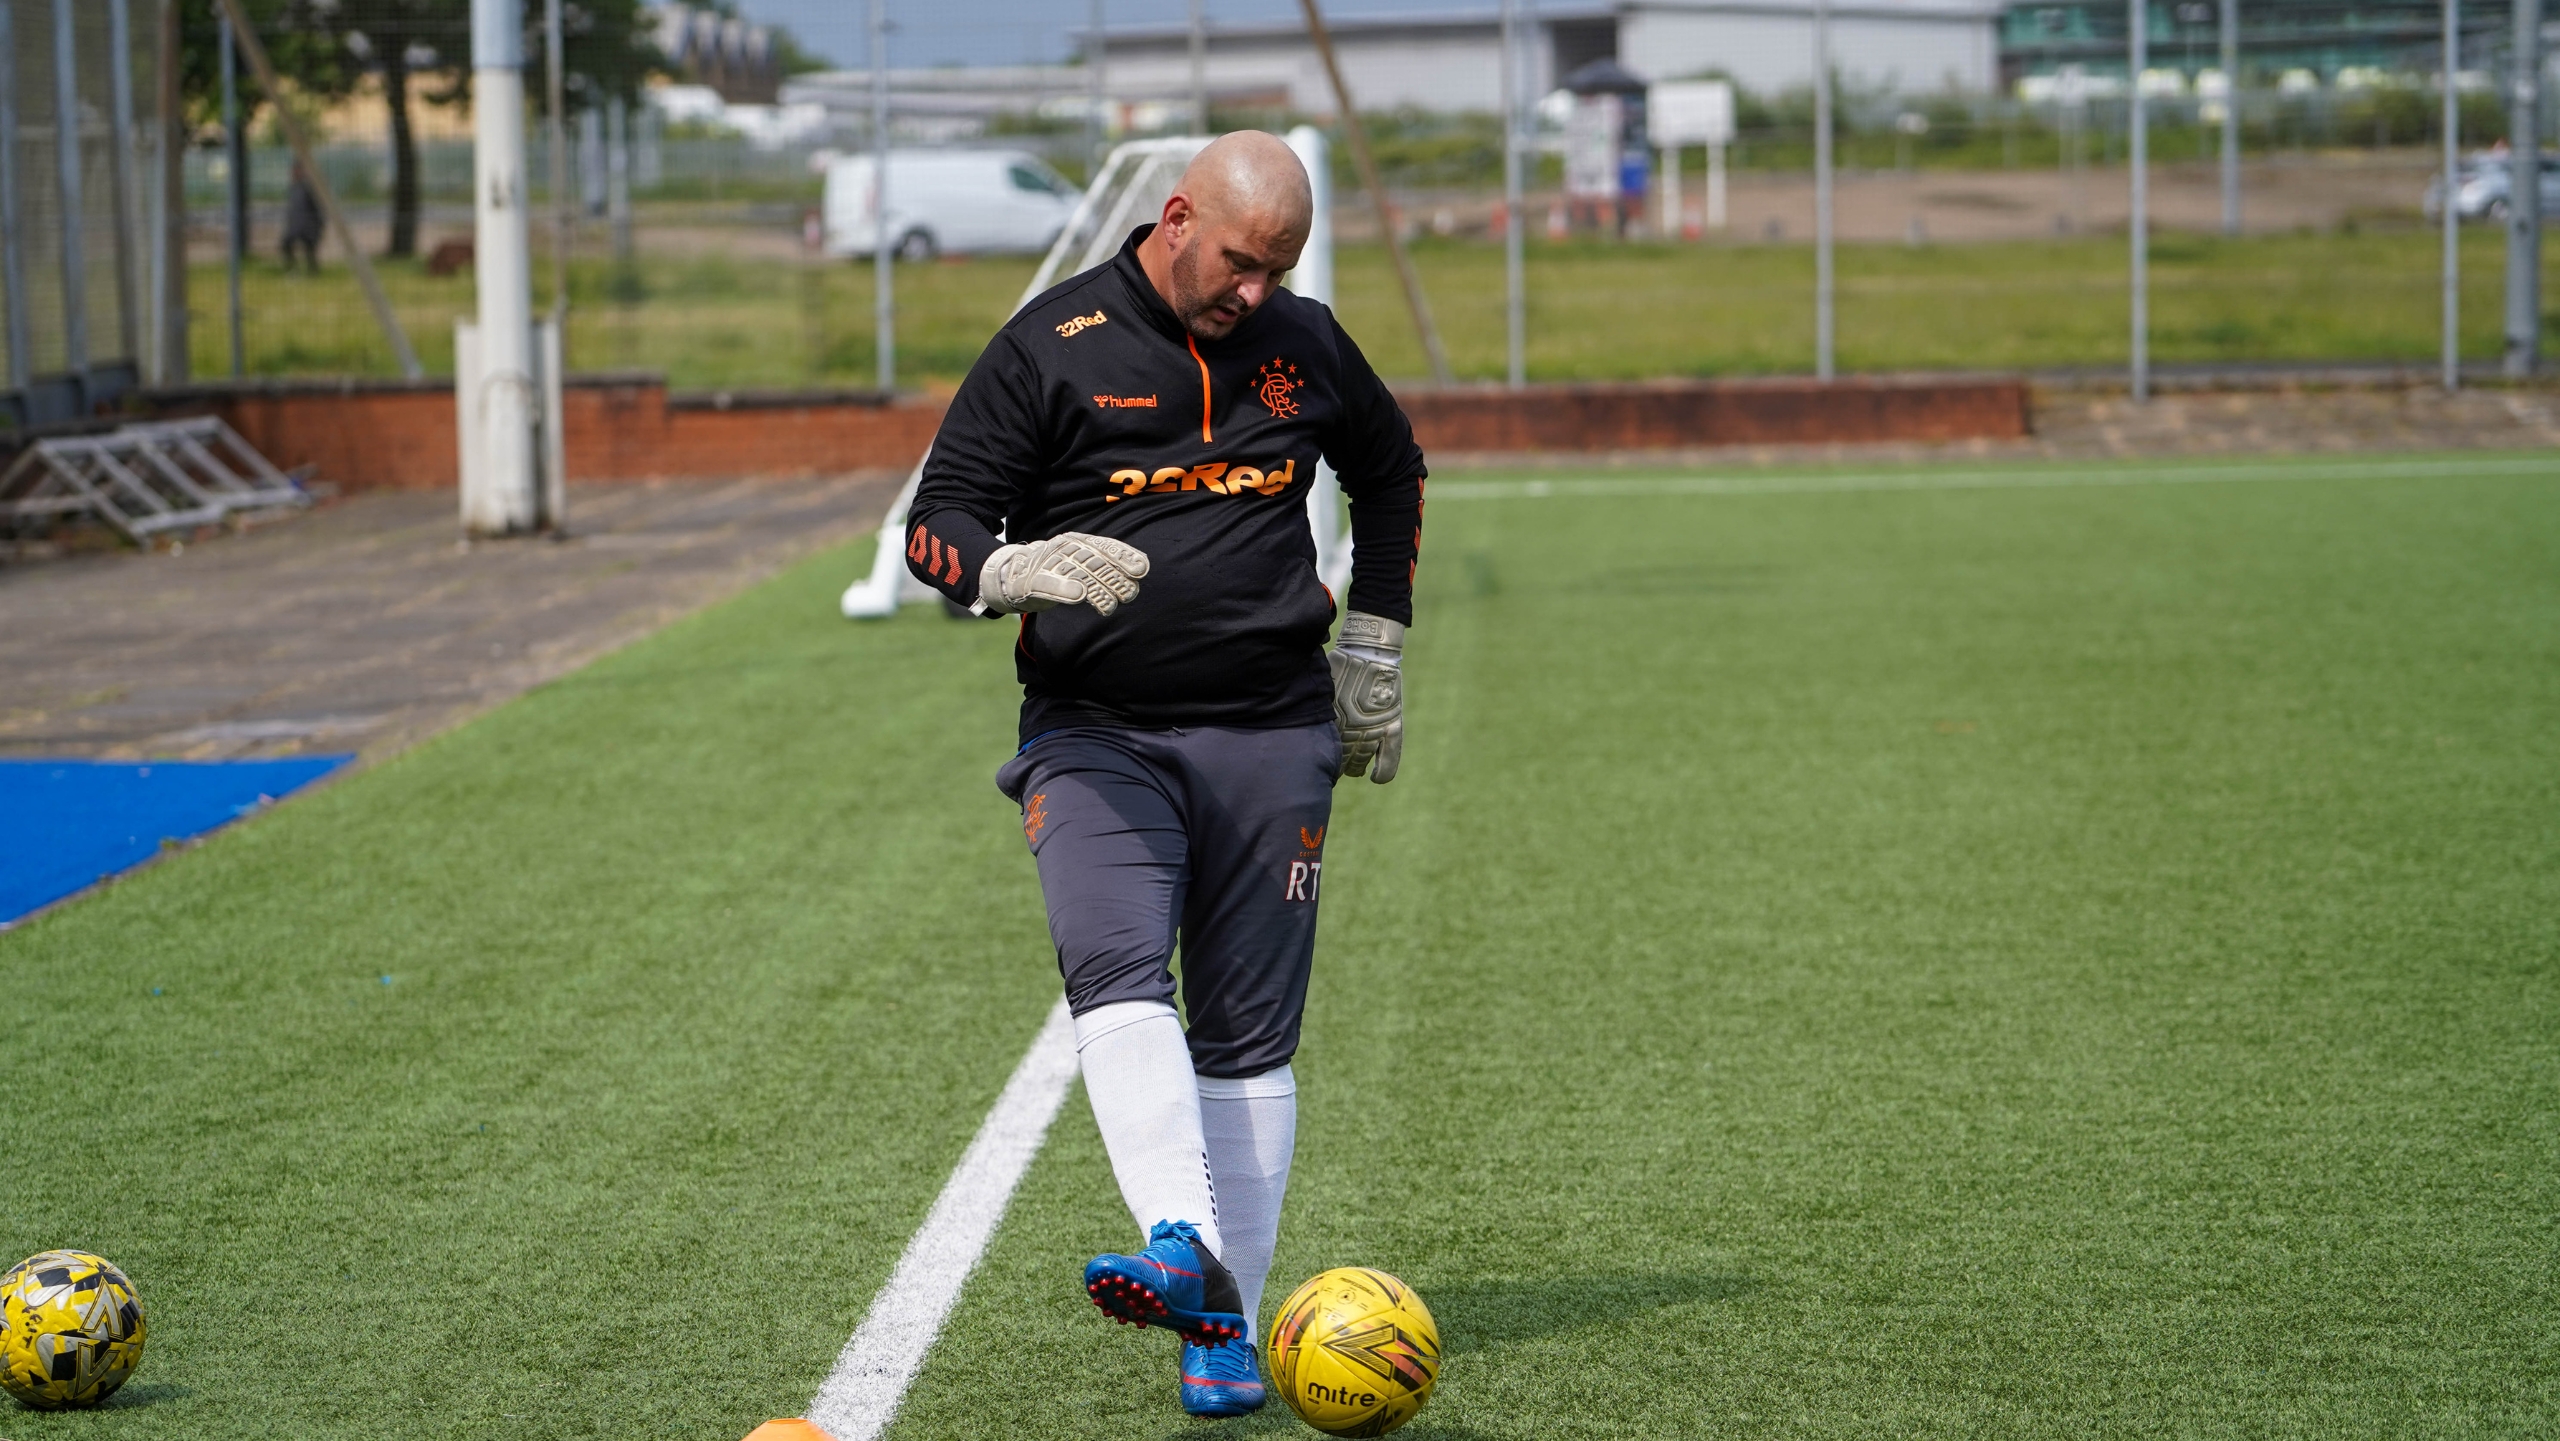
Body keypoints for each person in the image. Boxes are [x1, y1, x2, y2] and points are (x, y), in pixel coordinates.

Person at [902, 131, 1425, 1417]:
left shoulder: (1304, 341)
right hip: (1096, 731)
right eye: (1240, 261)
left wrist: (1374, 638)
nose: (1255, 291)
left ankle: (1221, 1332)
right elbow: (937, 522)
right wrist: (1005, 570)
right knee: (1114, 965)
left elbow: (1390, 470)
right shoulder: (1052, 342)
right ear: (1176, 217)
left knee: (1247, 1038)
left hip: (1273, 730)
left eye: (1277, 268)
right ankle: (1182, 1242)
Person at [281, 163, 323, 273]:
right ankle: (292, 269)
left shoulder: (308, 188)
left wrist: (317, 225)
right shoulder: (293, 187)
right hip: (296, 225)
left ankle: (312, 271)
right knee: (286, 244)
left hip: (307, 226)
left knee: (310, 249)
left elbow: (316, 208)